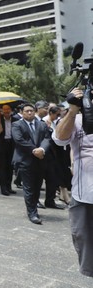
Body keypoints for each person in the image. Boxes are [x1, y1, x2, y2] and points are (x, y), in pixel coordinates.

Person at [52, 88, 93, 277]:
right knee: (86, 245)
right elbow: (60, 139)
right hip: (84, 194)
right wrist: (73, 109)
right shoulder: (76, 117)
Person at [11, 103, 51, 225]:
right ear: (22, 113)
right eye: (27, 111)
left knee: (37, 187)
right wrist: (35, 150)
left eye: (31, 111)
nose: (29, 113)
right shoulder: (17, 125)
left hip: (40, 160)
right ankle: (32, 213)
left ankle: (34, 206)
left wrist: (42, 150)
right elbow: (19, 140)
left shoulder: (42, 124)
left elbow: (47, 138)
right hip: (25, 161)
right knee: (28, 188)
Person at [0, 104, 19, 196]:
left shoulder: (15, 120)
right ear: (1, 111)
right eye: (4, 110)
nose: (6, 111)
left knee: (10, 168)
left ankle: (9, 187)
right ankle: (3, 188)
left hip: (11, 146)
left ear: (11, 110)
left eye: (8, 109)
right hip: (1, 147)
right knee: (2, 168)